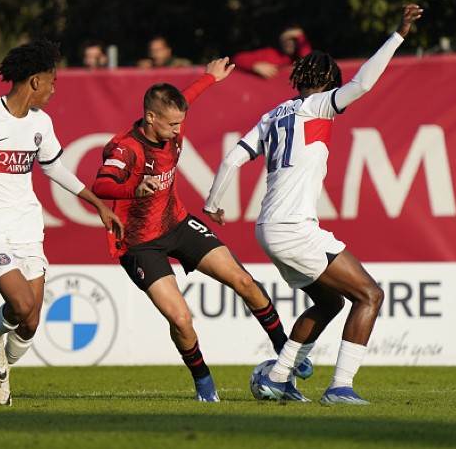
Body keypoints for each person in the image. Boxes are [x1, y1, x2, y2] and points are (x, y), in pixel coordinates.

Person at [204, 4, 423, 404]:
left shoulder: (272, 116)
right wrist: (399, 35)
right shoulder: (319, 105)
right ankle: (340, 387)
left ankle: (279, 375)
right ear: (327, 83)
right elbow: (364, 84)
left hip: (267, 228)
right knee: (370, 295)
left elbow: (233, 157)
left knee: (329, 301)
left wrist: (214, 203)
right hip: (293, 226)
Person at [92, 57, 312, 402]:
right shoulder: (127, 148)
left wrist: (210, 78)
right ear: (151, 118)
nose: (179, 130)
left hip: (177, 223)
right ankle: (204, 383)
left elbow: (185, 100)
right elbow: (101, 184)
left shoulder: (170, 122)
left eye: (181, 122)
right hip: (139, 245)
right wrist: (133, 189)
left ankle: (285, 350)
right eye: (172, 124)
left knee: (244, 281)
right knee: (181, 319)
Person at [0, 39, 123, 406]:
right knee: (19, 304)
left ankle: (1, 368)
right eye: (51, 81)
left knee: (30, 321)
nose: (53, 89)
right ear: (34, 81)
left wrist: (97, 203)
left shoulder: (41, 123)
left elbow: (55, 168)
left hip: (27, 228)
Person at [233, 26, 311, 79]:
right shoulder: (270, 53)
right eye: (287, 39)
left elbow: (308, 64)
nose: (290, 43)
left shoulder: (301, 61)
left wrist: (301, 36)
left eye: (294, 40)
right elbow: (237, 59)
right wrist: (254, 65)